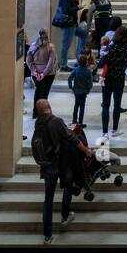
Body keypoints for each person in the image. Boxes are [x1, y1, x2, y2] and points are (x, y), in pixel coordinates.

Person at [31, 99, 94, 244]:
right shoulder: (56, 121)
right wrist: (86, 151)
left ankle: (48, 235)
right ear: (50, 107)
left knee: (48, 199)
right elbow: (72, 138)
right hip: (61, 163)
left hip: (47, 166)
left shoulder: (37, 123)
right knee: (68, 184)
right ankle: (65, 215)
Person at [101, 25, 127, 138]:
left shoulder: (111, 48)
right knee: (117, 105)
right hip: (119, 78)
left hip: (108, 78)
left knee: (105, 105)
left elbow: (101, 63)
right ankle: (114, 129)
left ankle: (104, 132)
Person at [54, 0, 88, 70]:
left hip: (72, 24)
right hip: (68, 25)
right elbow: (66, 11)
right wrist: (78, 7)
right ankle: (63, 65)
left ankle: (80, 56)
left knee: (84, 34)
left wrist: (76, 2)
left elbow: (72, 7)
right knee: (65, 45)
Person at [26, 29, 56, 115]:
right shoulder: (51, 47)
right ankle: (43, 113)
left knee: (38, 91)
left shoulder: (33, 45)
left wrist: (34, 71)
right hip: (49, 74)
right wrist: (44, 73)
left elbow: (28, 60)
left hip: (36, 73)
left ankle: (35, 112)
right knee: (44, 93)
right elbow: (51, 62)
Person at [67, 50, 93, 126]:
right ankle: (80, 122)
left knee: (76, 105)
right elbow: (90, 82)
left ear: (78, 62)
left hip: (76, 91)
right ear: (86, 62)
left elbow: (69, 78)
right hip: (84, 91)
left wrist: (71, 87)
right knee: (82, 107)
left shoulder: (75, 70)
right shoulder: (88, 71)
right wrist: (89, 89)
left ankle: (74, 121)